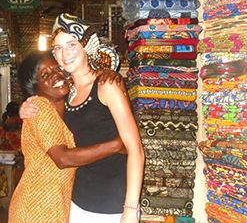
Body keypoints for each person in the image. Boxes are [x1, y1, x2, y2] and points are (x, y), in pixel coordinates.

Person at [19, 13, 145, 223]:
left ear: (86, 46)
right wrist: (24, 107)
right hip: (76, 204)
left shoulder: (107, 85)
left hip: (112, 204)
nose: (64, 53)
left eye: (71, 44)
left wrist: (130, 209)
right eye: (58, 48)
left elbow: (136, 150)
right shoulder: (64, 92)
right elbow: (42, 111)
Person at [9, 51, 125, 223]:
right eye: (45, 75)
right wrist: (117, 144)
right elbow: (62, 158)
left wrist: (108, 73)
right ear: (35, 88)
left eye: (57, 68)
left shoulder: (70, 105)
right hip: (35, 209)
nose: (56, 76)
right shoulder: (40, 107)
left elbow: (87, 79)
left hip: (58, 207)